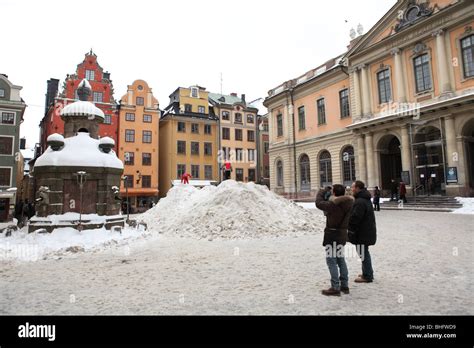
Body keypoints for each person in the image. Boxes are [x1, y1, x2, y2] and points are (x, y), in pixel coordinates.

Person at [316, 184, 354, 296]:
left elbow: (318, 203)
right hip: (342, 234)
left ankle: (335, 287)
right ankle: (344, 285)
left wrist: (322, 191)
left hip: (332, 234)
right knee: (341, 260)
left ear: (334, 193)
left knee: (331, 260)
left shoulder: (333, 204)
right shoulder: (349, 202)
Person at [348, 180, 377, 283]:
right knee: (364, 252)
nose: (351, 189)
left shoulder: (360, 201)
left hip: (362, 232)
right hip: (366, 231)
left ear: (357, 188)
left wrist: (349, 225)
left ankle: (367, 276)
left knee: (363, 253)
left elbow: (356, 218)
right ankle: (367, 272)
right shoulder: (364, 199)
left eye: (353, 187)